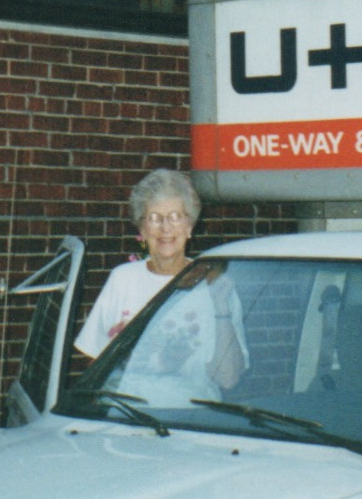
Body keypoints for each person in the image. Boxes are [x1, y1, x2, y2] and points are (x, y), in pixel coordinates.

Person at [73, 170, 245, 400]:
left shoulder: (216, 285)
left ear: (190, 226)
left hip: (192, 420)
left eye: (175, 217)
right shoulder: (122, 279)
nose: (165, 228)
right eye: (154, 218)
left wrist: (221, 308)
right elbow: (95, 362)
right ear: (142, 230)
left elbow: (229, 379)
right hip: (126, 415)